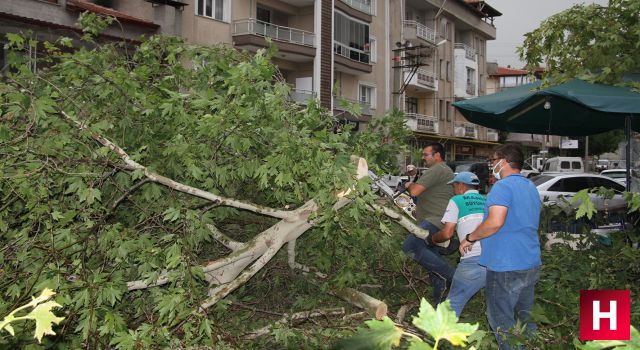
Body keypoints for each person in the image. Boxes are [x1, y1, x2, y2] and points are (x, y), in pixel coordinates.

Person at [459, 144, 541, 349]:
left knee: (501, 320)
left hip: (505, 264)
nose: (492, 164)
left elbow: (495, 222)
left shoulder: (503, 186)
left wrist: (470, 237)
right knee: (524, 320)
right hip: (529, 261)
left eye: (493, 160)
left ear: (504, 161)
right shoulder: (530, 186)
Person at [427, 171, 486, 318]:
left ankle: (438, 339)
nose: (453, 189)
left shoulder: (457, 200)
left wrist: (432, 240)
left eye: (454, 185)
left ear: (460, 186)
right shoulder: (487, 200)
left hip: (473, 259)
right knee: (498, 307)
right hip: (495, 259)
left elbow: (447, 233)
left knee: (452, 304)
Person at [402, 142, 455, 304]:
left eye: (426, 155)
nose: (423, 158)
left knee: (410, 246)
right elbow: (429, 193)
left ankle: (454, 277)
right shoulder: (444, 171)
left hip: (435, 221)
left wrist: (409, 185)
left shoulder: (438, 169)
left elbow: (416, 191)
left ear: (437, 155)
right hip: (436, 219)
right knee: (434, 265)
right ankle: (440, 304)